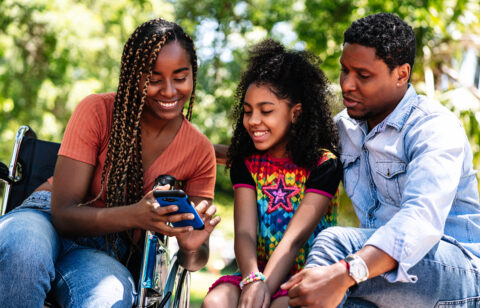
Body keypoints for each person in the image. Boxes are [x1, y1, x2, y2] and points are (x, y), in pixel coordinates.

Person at [0, 18, 221, 307]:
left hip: (108, 251)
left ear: (193, 74)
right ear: (133, 76)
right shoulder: (97, 110)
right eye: (154, 79)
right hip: (45, 219)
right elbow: (63, 215)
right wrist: (137, 215)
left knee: (108, 297)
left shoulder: (200, 151)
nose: (169, 91)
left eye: (180, 77)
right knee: (22, 249)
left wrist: (192, 247)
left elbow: (195, 256)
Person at [281, 12, 480, 307]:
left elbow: (420, 222)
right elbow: (283, 153)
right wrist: (201, 152)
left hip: (457, 273)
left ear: (401, 74)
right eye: (344, 70)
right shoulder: (343, 128)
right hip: (382, 270)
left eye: (363, 75)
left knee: (333, 244)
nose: (347, 84)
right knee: (343, 301)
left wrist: (347, 272)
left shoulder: (433, 127)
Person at [203, 39, 343, 308]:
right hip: (254, 271)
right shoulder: (248, 165)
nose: (253, 120)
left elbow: (294, 239)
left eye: (266, 111)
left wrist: (265, 288)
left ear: (296, 113)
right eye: (247, 112)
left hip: (304, 278)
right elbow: (244, 233)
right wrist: (254, 280)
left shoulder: (323, 165)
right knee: (216, 302)